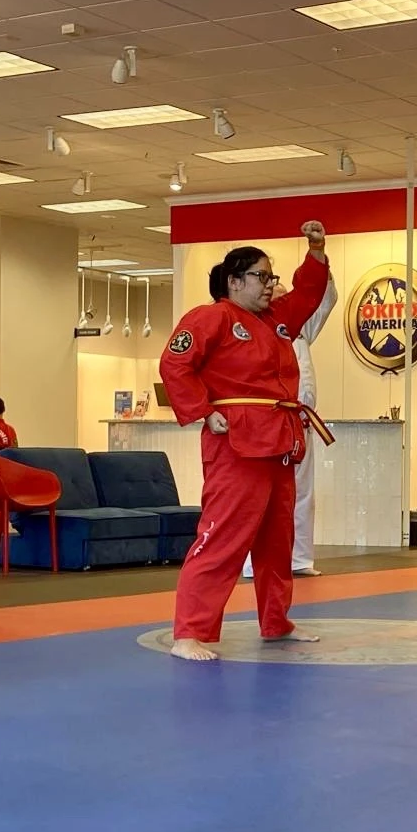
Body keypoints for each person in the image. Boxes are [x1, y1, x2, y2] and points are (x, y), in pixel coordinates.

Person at [159, 223, 332, 662]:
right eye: (261, 276)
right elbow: (175, 364)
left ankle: (276, 621)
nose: (270, 285)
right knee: (222, 537)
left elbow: (308, 296)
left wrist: (316, 249)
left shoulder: (275, 322)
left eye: (272, 277)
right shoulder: (210, 317)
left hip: (279, 439)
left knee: (278, 540)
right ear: (234, 281)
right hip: (236, 442)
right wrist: (203, 411)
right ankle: (189, 633)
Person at [242, 275, 337, 579]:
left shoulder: (299, 330)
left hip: (301, 421)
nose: (282, 300)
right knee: (260, 493)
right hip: (267, 423)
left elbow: (324, 301)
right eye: (277, 295)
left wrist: (322, 266)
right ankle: (250, 562)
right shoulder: (253, 328)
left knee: (302, 494)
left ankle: (299, 559)